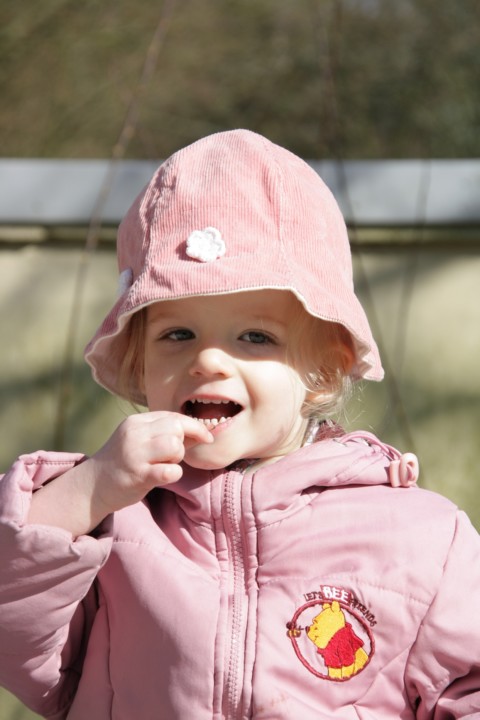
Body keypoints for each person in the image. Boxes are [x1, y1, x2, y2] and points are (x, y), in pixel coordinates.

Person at [1, 129, 479, 720]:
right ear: (137, 362)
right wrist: (88, 490)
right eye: (178, 334)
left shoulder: (418, 536)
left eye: (255, 336)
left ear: (325, 369)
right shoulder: (112, 524)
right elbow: (13, 627)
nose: (207, 360)